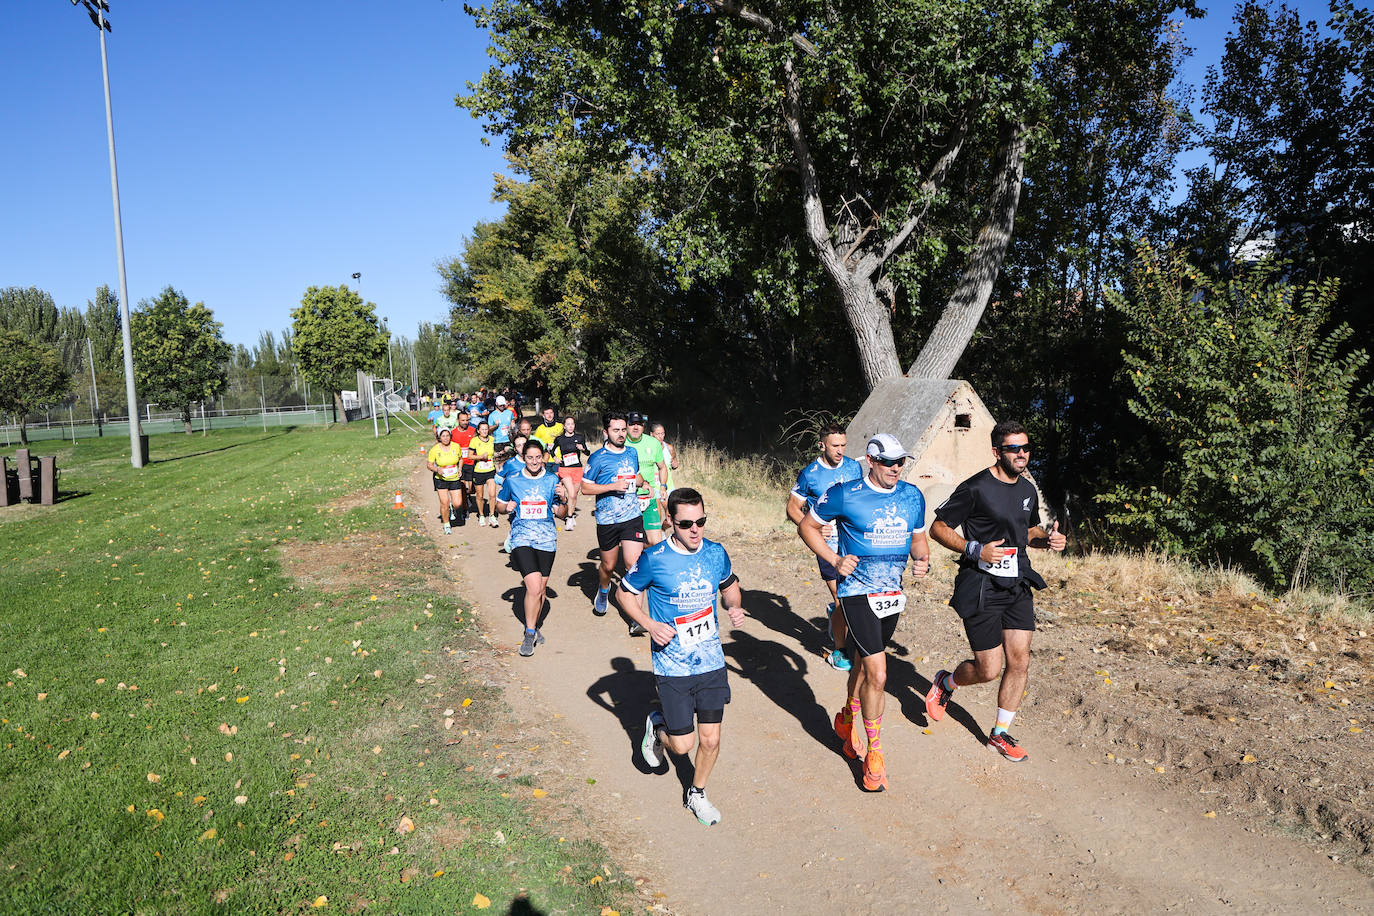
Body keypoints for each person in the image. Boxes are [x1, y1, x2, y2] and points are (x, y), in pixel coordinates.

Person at [924, 420, 1066, 762]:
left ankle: (999, 734)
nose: (1022, 454)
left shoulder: (1027, 489)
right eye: (1013, 448)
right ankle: (946, 683)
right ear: (996, 452)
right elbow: (938, 528)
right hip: (981, 586)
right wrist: (975, 549)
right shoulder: (975, 488)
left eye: (1026, 447)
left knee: (1020, 661)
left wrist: (1048, 539)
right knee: (988, 669)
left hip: (1017, 582)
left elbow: (1027, 531)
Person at [799, 433, 929, 792]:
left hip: (891, 594)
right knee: (879, 672)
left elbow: (918, 538)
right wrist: (834, 559)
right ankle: (874, 754)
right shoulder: (845, 493)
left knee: (862, 663)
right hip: (856, 590)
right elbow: (807, 525)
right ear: (870, 461)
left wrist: (922, 559)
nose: (896, 468)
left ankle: (846, 716)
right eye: (888, 462)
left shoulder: (912, 495)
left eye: (900, 461)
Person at [617, 487, 746, 826]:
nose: (695, 530)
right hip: (672, 664)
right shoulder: (654, 558)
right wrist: (648, 624)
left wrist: (734, 606)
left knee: (711, 739)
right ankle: (657, 726)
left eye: (701, 521)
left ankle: (697, 793)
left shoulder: (715, 553)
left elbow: (730, 586)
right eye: (686, 523)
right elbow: (624, 593)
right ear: (670, 521)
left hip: (711, 661)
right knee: (682, 745)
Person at [787, 422, 865, 673]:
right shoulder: (810, 474)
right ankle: (839, 651)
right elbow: (792, 508)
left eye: (843, 445)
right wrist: (813, 527)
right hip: (826, 545)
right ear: (822, 445)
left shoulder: (854, 467)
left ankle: (836, 617)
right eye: (834, 446)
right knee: (842, 598)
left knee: (854, 598)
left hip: (852, 542)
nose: (840, 450)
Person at [496, 439, 570, 656]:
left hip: (547, 539)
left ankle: (535, 625)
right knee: (534, 588)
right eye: (530, 457)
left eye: (538, 457)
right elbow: (500, 505)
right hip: (522, 538)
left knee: (541, 590)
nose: (535, 461)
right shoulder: (513, 480)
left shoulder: (552, 479)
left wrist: (564, 499)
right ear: (524, 458)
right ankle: (529, 633)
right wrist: (505, 507)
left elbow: (562, 514)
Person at [581, 412, 646, 624]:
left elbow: (636, 475)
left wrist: (643, 483)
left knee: (633, 564)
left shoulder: (632, 453)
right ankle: (603, 589)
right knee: (608, 566)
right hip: (607, 519)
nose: (621, 434)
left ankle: (637, 618)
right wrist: (612, 486)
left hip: (632, 516)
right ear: (605, 432)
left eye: (623, 429)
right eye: (616, 430)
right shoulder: (598, 457)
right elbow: (585, 488)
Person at [626, 412, 669, 544]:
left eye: (639, 424)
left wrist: (663, 486)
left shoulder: (653, 443)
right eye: (632, 424)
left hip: (649, 498)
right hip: (627, 498)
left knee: (654, 542)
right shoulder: (620, 442)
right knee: (633, 542)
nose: (635, 427)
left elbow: (662, 467)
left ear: (643, 426)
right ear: (626, 425)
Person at [553, 415, 590, 530]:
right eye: (568, 424)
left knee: (574, 496)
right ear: (564, 426)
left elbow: (588, 453)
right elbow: (550, 449)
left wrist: (583, 449)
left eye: (572, 424)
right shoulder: (559, 439)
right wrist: (555, 457)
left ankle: (571, 513)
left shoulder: (580, 437)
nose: (570, 426)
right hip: (564, 469)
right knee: (572, 493)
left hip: (577, 469)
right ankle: (569, 518)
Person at [425, 428, 464, 535]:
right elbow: (429, 465)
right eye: (443, 436)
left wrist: (460, 468)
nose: (446, 438)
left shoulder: (456, 446)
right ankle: (446, 524)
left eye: (447, 436)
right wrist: (437, 469)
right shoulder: (434, 449)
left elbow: (461, 459)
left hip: (454, 478)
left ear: (450, 436)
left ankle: (452, 508)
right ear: (439, 437)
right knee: (444, 502)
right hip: (441, 479)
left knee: (458, 503)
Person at [470, 420, 499, 526]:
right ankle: (481, 515)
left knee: (492, 494)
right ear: (478, 431)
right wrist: (481, 457)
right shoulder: (474, 441)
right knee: (480, 495)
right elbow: (469, 456)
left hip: (490, 470)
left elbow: (495, 452)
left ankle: (492, 515)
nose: (484, 431)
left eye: (486, 429)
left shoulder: (492, 439)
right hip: (479, 471)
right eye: (482, 429)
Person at [453, 420, 477, 526]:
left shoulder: (473, 431)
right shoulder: (453, 433)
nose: (465, 422)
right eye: (463, 420)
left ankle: (468, 497)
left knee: (471, 489)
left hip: (471, 463)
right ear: (458, 421)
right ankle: (464, 509)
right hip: (460, 463)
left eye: (467, 420)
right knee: (462, 487)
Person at [649, 421, 678, 496]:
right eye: (658, 434)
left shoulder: (669, 448)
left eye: (662, 433)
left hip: (668, 487)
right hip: (652, 488)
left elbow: (674, 464)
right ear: (651, 434)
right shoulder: (647, 449)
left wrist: (674, 464)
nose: (660, 436)